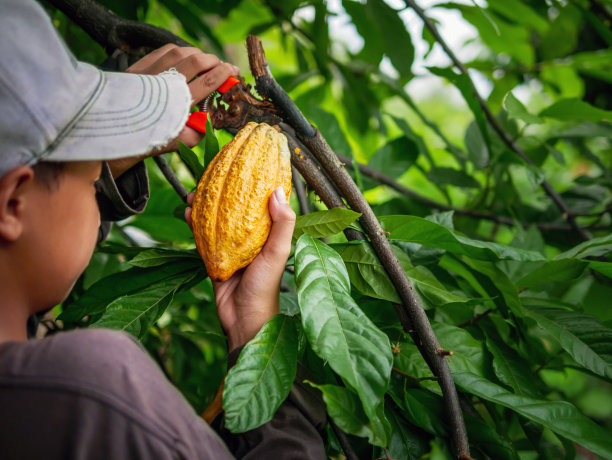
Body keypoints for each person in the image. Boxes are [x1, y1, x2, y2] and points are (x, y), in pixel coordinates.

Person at [0, 0, 327, 458]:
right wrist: (258, 343)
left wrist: (94, 158)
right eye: (91, 169)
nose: (100, 177)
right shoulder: (93, 391)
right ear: (14, 202)